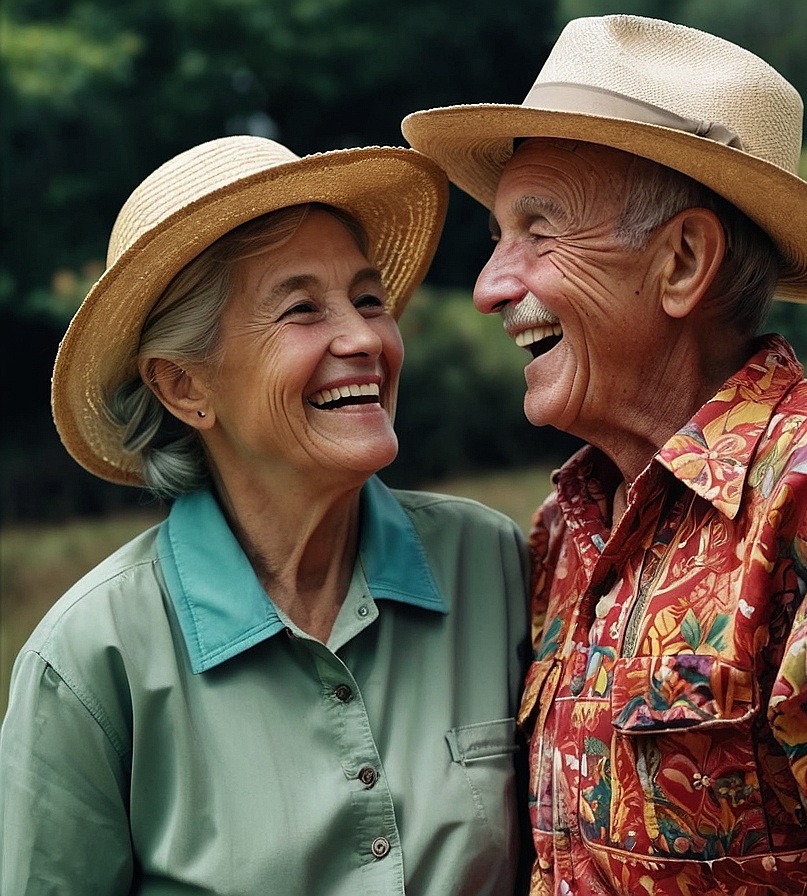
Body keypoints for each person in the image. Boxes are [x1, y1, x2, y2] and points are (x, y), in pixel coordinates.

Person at [402, 14, 807, 896]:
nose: (488, 288)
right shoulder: (568, 523)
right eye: (495, 238)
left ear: (682, 262)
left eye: (539, 231)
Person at [0, 135, 532, 895]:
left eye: (369, 299)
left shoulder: (495, 564)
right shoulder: (91, 660)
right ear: (185, 387)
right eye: (301, 309)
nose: (363, 339)